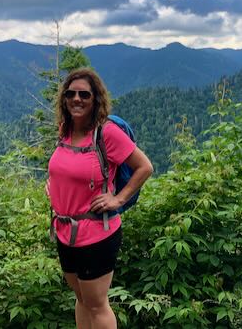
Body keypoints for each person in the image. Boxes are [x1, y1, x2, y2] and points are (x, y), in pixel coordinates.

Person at [45, 67, 153, 329]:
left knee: (96, 303)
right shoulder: (66, 130)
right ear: (64, 98)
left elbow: (145, 167)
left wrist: (118, 199)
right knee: (81, 298)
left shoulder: (106, 133)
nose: (77, 99)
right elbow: (68, 169)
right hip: (65, 231)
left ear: (96, 99)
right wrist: (55, 187)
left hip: (97, 233)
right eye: (71, 93)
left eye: (85, 94)